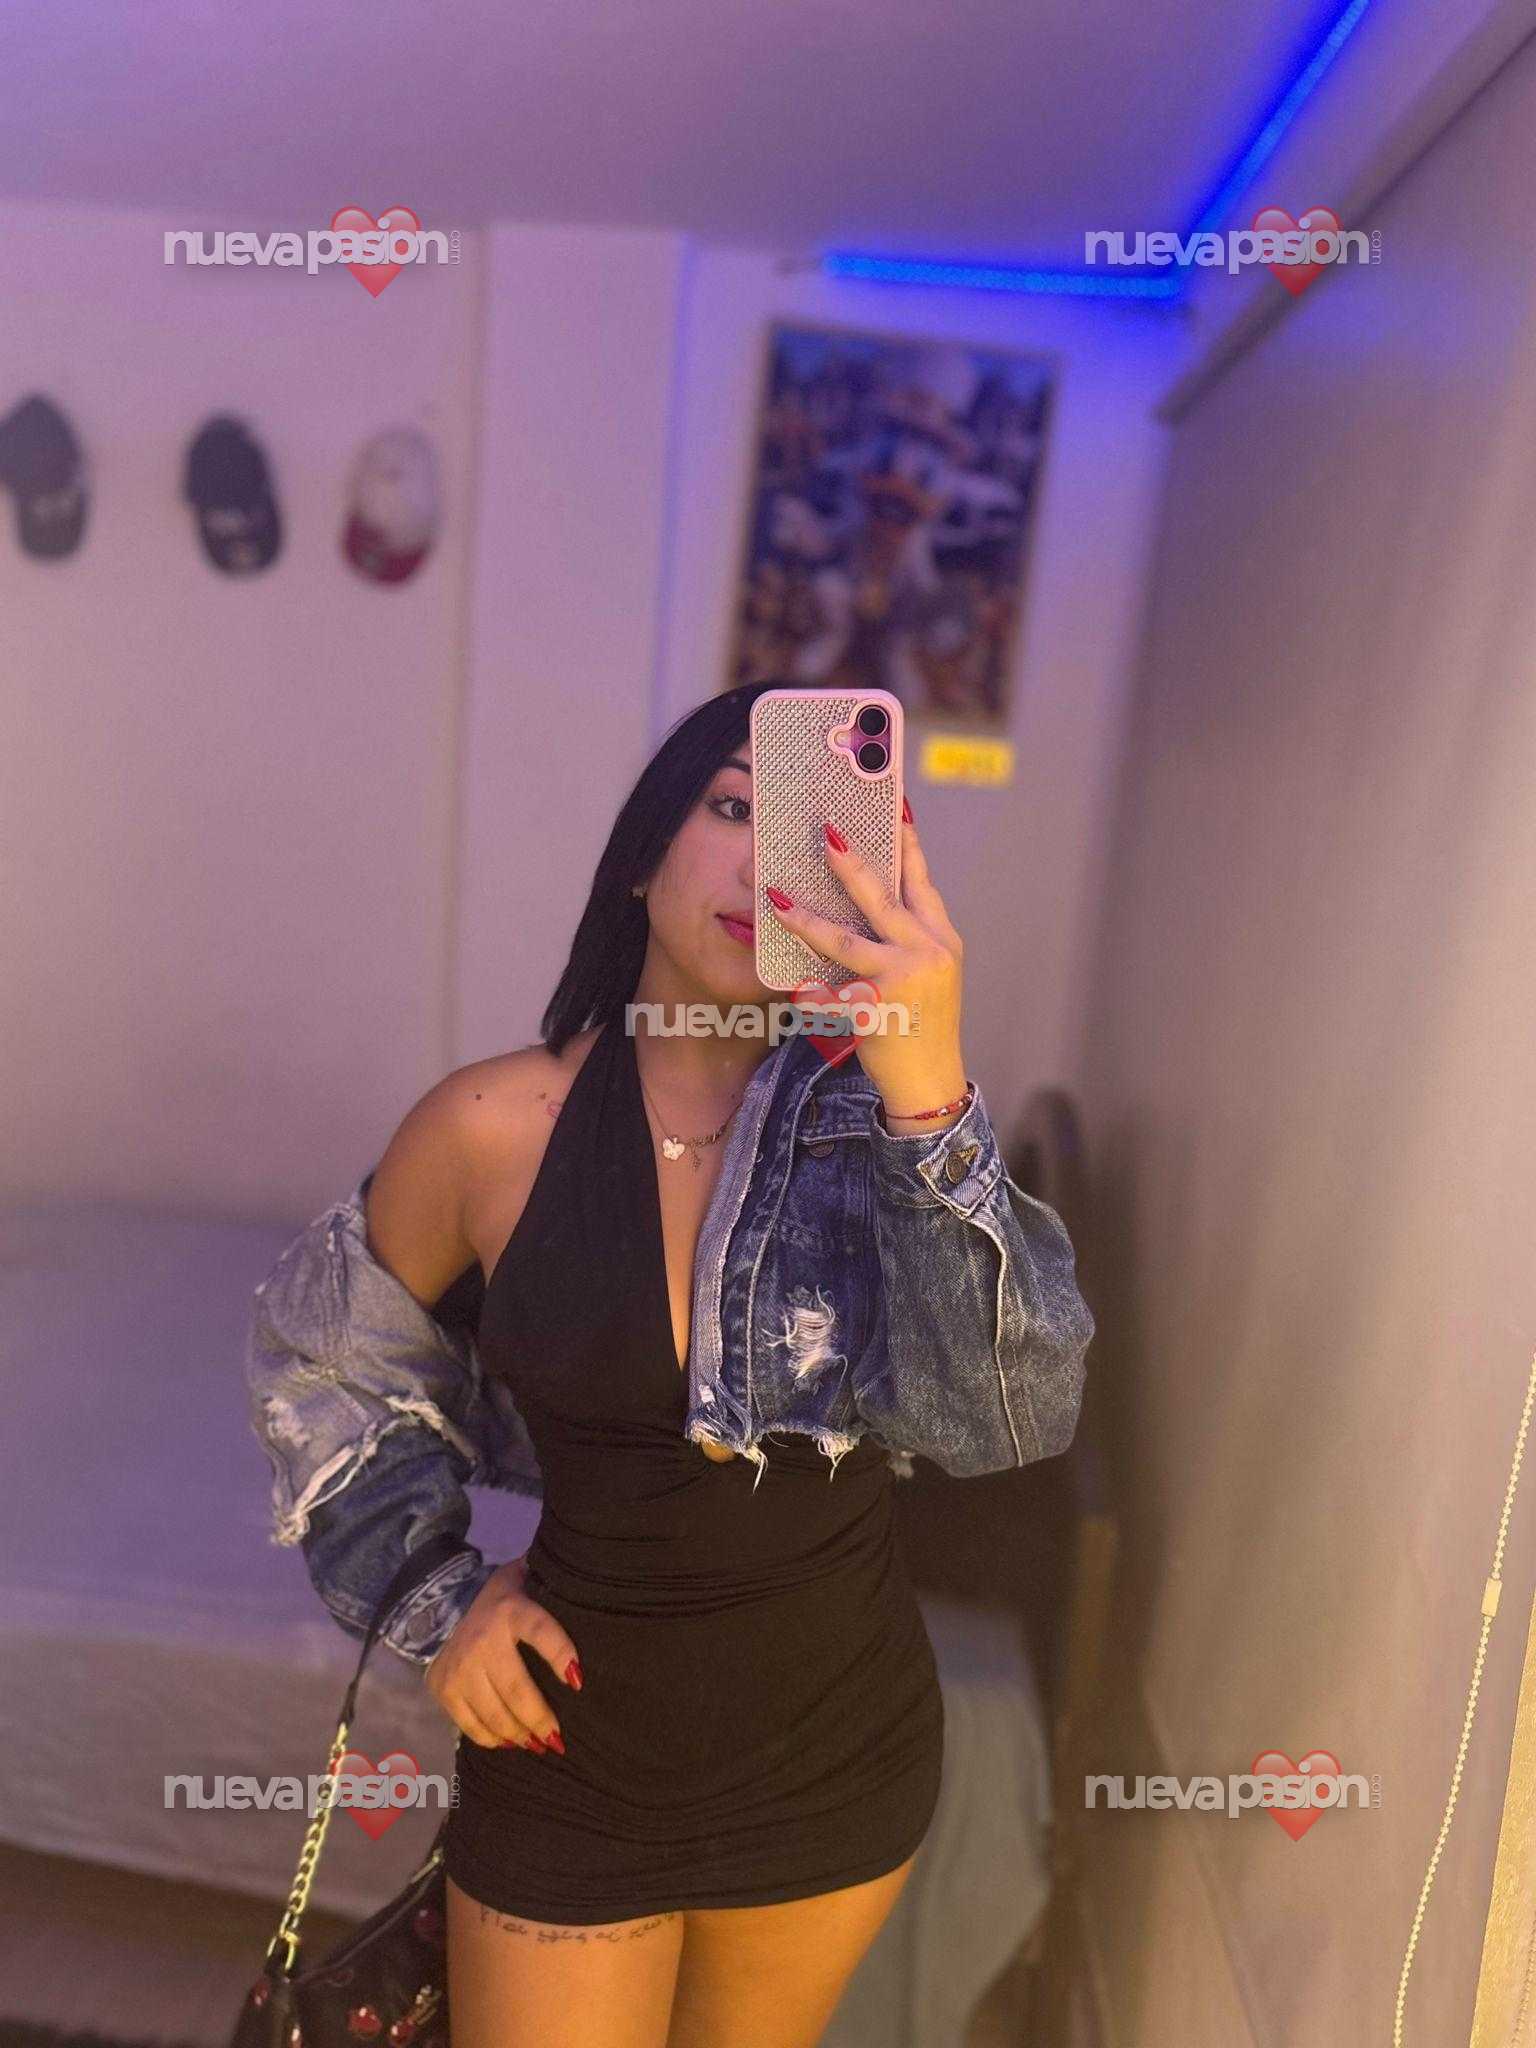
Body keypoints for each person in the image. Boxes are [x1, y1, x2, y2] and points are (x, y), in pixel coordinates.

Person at [254, 678, 1094, 2047]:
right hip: (570, 1754)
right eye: (732, 809)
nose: (769, 866)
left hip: (837, 1753)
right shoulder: (488, 1127)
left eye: (817, 834)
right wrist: (432, 1598)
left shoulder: (899, 1139)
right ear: (642, 858)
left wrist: (928, 1081)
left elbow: (1006, 1420)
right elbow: (327, 1365)